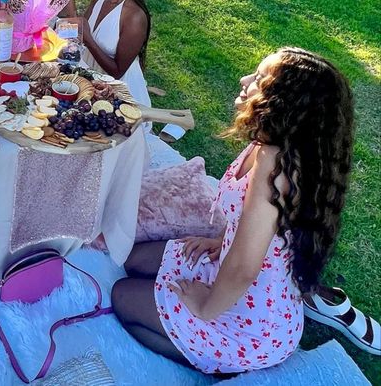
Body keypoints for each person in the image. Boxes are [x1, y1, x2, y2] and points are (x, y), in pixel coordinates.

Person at [110, 47, 355, 375]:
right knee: (131, 261)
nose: (244, 80)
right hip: (231, 270)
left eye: (260, 80)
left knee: (122, 297)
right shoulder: (267, 144)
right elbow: (257, 227)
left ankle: (219, 365)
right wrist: (222, 241)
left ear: (286, 103)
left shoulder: (275, 166)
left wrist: (205, 304)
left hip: (250, 319)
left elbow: (243, 267)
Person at [64, 0, 152, 106]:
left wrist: (88, 39)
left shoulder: (134, 16)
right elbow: (80, 33)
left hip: (118, 93)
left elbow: (117, 70)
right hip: (91, 80)